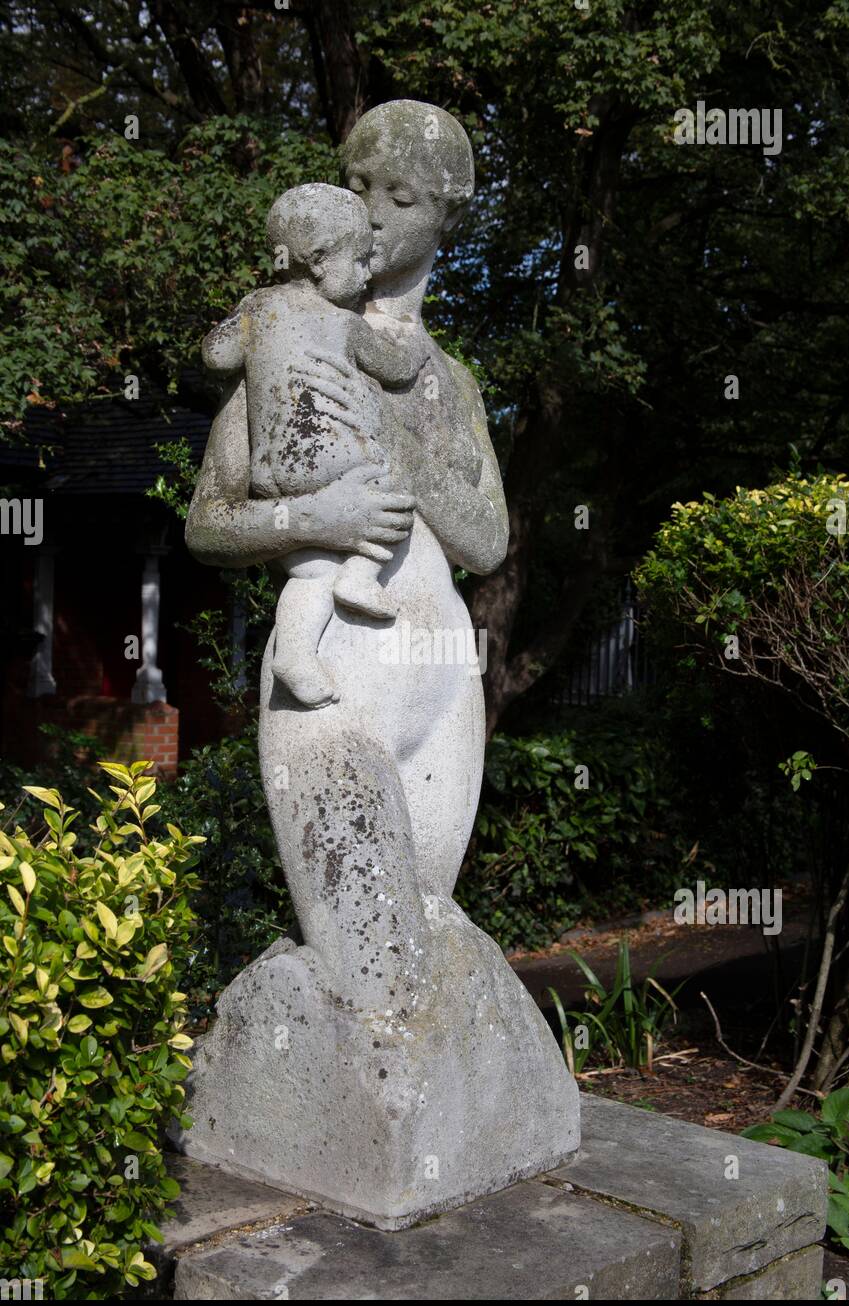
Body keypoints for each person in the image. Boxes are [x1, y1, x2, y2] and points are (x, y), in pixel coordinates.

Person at [186, 100, 508, 1017]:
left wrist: (397, 454)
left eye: (398, 195)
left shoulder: (448, 380)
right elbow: (209, 523)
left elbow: (487, 539)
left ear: (449, 212)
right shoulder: (287, 331)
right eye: (358, 185)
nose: (369, 213)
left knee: (433, 943)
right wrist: (311, 515)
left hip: (442, 673)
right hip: (329, 676)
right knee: (375, 971)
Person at [202, 183, 429, 707]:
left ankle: (296, 653)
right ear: (323, 262)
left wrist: (244, 319)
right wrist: (414, 351)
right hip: (334, 462)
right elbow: (392, 367)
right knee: (390, 493)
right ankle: (362, 572)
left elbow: (215, 356)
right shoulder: (346, 324)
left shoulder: (259, 309)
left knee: (309, 571)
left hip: (273, 477)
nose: (369, 274)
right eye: (362, 260)